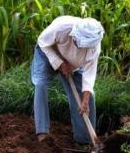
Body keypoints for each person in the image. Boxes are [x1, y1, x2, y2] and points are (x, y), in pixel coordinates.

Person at [31, 16, 104, 144]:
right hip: (47, 52)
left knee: (87, 97)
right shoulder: (62, 27)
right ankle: (42, 133)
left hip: (74, 65)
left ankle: (85, 140)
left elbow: (89, 75)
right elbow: (42, 42)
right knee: (41, 85)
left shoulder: (94, 48)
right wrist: (59, 62)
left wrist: (85, 100)